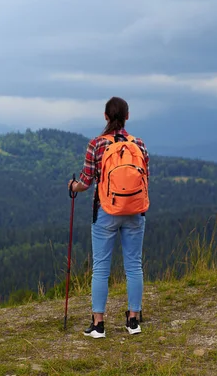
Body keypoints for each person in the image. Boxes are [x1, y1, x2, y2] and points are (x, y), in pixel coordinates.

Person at [68, 96, 149, 339]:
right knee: (134, 265)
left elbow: (85, 182)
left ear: (105, 116)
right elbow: (145, 179)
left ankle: (98, 324)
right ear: (127, 116)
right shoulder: (140, 145)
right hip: (135, 210)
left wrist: (73, 186)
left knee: (101, 268)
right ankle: (133, 320)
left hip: (105, 211)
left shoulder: (96, 144)